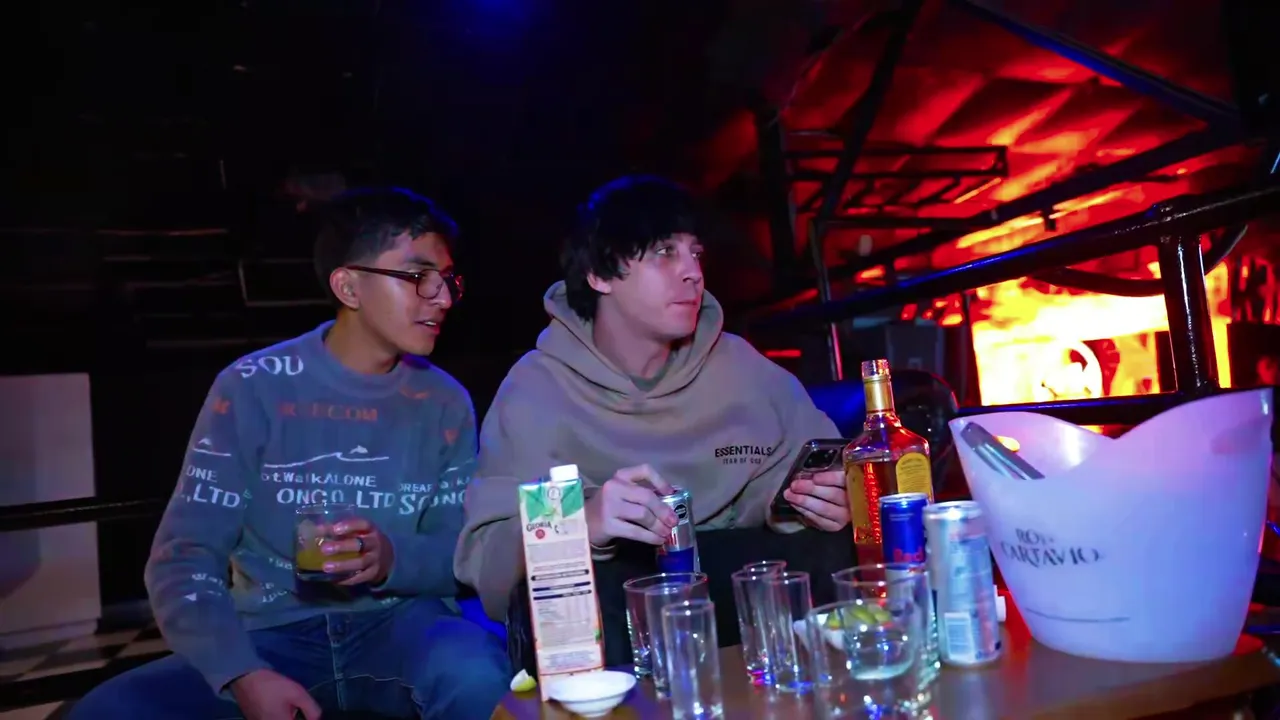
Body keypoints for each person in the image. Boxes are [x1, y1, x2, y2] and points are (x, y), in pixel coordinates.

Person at [73, 188, 510, 720]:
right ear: (348, 286)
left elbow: (459, 554)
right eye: (419, 276)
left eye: (448, 281)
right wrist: (242, 673)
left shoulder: (444, 402)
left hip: (399, 625)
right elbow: (184, 558)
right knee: (110, 710)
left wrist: (391, 559)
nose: (442, 297)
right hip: (270, 633)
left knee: (477, 673)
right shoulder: (253, 387)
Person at [454, 175, 850, 625]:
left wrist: (821, 500)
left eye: (695, 253)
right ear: (599, 274)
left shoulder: (743, 368)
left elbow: (820, 472)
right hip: (617, 621)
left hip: (745, 596)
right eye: (664, 252)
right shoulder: (538, 390)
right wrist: (584, 522)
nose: (693, 272)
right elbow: (488, 560)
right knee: (587, 593)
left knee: (832, 548)